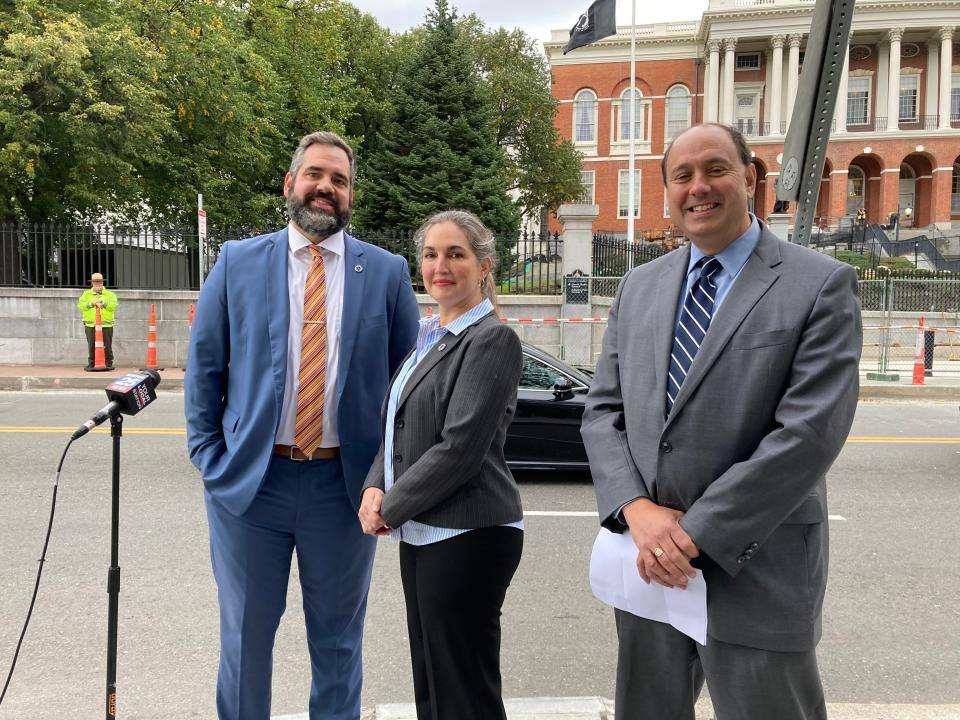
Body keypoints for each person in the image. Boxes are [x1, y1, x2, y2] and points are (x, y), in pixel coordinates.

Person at [581, 123, 862, 720]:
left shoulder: (819, 285)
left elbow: (808, 434)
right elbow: (603, 411)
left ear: (750, 178)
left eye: (715, 169)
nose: (698, 187)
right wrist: (638, 511)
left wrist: (691, 535)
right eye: (681, 176)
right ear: (667, 191)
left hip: (756, 568)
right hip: (649, 570)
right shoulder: (640, 286)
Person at [184, 131, 419, 720]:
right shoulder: (238, 262)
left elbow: (408, 388)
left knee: (338, 646)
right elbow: (204, 367)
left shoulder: (386, 273)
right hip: (250, 487)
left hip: (341, 492)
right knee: (244, 641)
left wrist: (383, 478)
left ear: (349, 196)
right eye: (315, 174)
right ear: (290, 184)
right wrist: (211, 459)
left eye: (339, 180)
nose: (326, 188)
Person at [357, 210, 523, 720]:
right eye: (430, 254)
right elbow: (398, 425)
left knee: (463, 691)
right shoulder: (432, 335)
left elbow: (460, 448)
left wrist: (392, 505)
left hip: (470, 533)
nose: (440, 265)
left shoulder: (491, 339)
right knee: (431, 681)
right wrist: (373, 487)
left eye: (455, 254)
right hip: (426, 531)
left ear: (484, 265)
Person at [77, 272, 117, 370]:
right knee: (91, 345)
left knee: (107, 345)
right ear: (92, 283)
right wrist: (91, 303)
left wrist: (103, 302)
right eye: (95, 282)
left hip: (105, 324)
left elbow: (113, 306)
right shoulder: (86, 294)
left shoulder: (110, 294)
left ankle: (108, 362)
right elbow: (81, 306)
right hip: (90, 324)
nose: (98, 284)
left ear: (103, 283)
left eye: (99, 282)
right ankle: (92, 362)